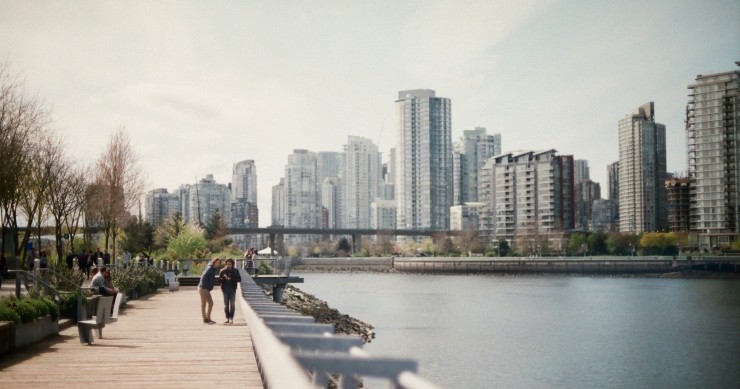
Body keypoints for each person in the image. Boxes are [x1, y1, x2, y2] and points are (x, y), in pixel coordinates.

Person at [198, 258, 221, 324]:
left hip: (207, 289)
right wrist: (205, 287)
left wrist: (208, 288)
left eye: (219, 263)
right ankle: (204, 319)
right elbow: (203, 278)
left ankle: (208, 318)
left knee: (211, 303)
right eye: (217, 262)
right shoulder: (210, 268)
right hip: (203, 288)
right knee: (203, 304)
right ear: (214, 262)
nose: (218, 264)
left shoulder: (213, 269)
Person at [219, 258, 241, 324]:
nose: (228, 265)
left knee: (232, 304)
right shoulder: (222, 271)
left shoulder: (235, 271)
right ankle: (227, 318)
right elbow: (219, 280)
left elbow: (239, 279)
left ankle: (231, 318)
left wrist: (232, 279)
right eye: (227, 264)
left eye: (230, 264)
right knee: (226, 305)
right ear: (226, 264)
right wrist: (223, 278)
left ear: (232, 264)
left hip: (232, 289)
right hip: (225, 289)